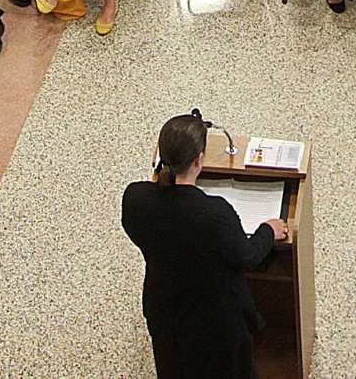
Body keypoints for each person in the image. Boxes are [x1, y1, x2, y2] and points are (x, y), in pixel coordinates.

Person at [121, 111, 287, 379]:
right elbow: (246, 257)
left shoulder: (135, 198)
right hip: (212, 326)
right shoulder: (215, 213)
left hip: (165, 311)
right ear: (199, 160)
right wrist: (269, 230)